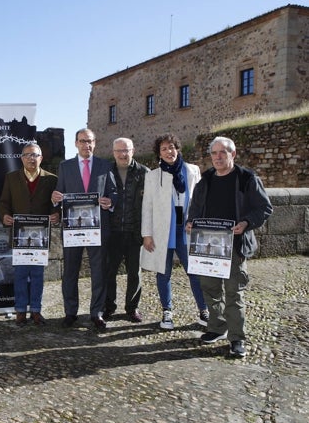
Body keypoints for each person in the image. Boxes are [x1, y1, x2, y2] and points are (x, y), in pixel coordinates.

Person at [186, 136, 272, 358]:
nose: (217, 157)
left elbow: (264, 208)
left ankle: (236, 338)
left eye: (222, 152)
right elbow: (195, 208)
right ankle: (217, 327)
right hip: (208, 246)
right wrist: (190, 222)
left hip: (235, 246)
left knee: (234, 293)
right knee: (210, 289)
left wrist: (246, 223)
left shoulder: (247, 179)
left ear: (232, 154)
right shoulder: (205, 180)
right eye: (214, 153)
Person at [51, 128, 116, 330]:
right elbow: (59, 193)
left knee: (99, 272)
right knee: (70, 272)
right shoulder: (65, 166)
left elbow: (114, 192)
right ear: (76, 143)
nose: (86, 145)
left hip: (98, 229)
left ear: (95, 143)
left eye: (89, 141)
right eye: (82, 141)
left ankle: (96, 313)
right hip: (73, 230)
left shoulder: (106, 165)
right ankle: (71, 312)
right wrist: (55, 199)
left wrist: (110, 201)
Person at [141, 133, 208, 330]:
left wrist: (197, 221)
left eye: (172, 147)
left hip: (187, 229)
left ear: (177, 149)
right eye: (164, 149)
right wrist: (147, 234)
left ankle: (204, 310)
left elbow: (200, 199)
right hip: (164, 230)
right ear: (159, 154)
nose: (169, 152)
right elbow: (147, 206)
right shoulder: (153, 176)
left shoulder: (192, 170)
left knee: (195, 271)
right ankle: (167, 311)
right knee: (164, 272)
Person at [0, 142, 59, 326]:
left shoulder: (52, 179)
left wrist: (56, 214)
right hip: (19, 236)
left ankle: (36, 311)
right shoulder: (11, 178)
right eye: (27, 155)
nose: (31, 158)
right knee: (21, 274)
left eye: (35, 155)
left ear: (41, 158)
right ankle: (20, 311)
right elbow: (3, 203)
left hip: (41, 236)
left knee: (38, 274)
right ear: (21, 158)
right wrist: (5, 216)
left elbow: (55, 204)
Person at [103, 137, 149, 323]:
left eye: (126, 150)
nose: (123, 154)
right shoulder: (105, 172)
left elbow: (151, 205)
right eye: (118, 151)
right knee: (109, 272)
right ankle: (108, 307)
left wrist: (147, 233)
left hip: (134, 232)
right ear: (113, 153)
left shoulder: (144, 172)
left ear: (133, 150)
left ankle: (132, 308)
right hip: (111, 231)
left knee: (134, 273)